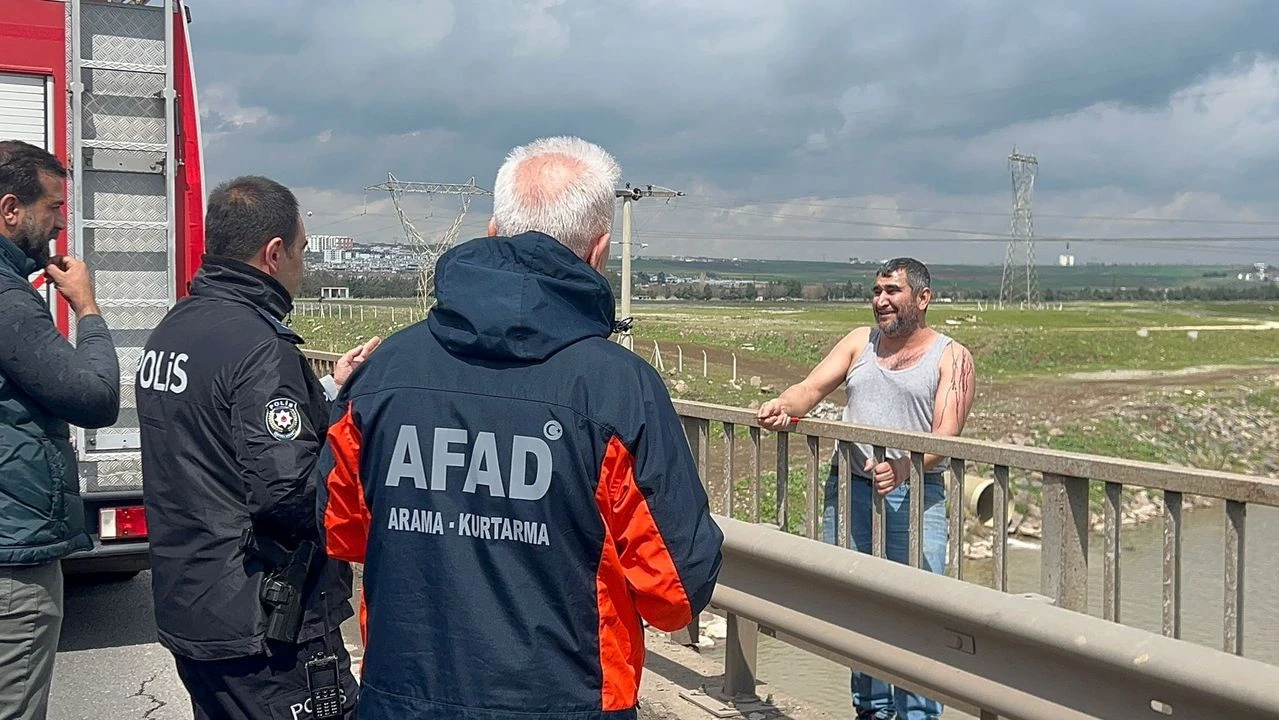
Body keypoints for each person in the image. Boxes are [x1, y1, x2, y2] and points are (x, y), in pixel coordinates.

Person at [318, 136, 724, 720]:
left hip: (401, 695)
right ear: (600, 251)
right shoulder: (616, 388)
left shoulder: (384, 374)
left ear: (491, 232)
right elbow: (674, 593)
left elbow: (343, 531)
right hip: (568, 701)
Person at [136, 175, 380, 720]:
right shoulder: (262, 348)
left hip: (193, 606)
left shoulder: (175, 330)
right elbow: (289, 494)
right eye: (301, 250)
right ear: (274, 254)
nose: (303, 265)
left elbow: (216, 439)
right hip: (265, 625)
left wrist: (324, 390)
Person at [757, 258, 975, 720]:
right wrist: (783, 405)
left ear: (922, 298)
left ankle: (917, 715)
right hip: (851, 490)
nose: (881, 300)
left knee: (919, 610)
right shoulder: (860, 343)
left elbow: (945, 435)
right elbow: (810, 389)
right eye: (876, 291)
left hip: (916, 498)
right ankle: (871, 711)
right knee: (862, 608)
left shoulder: (952, 357)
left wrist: (905, 467)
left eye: (892, 291)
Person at [0, 140, 120, 720]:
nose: (59, 224)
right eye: (51, 208)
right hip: (12, 555)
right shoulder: (8, 301)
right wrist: (88, 310)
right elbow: (94, 398)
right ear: (10, 210)